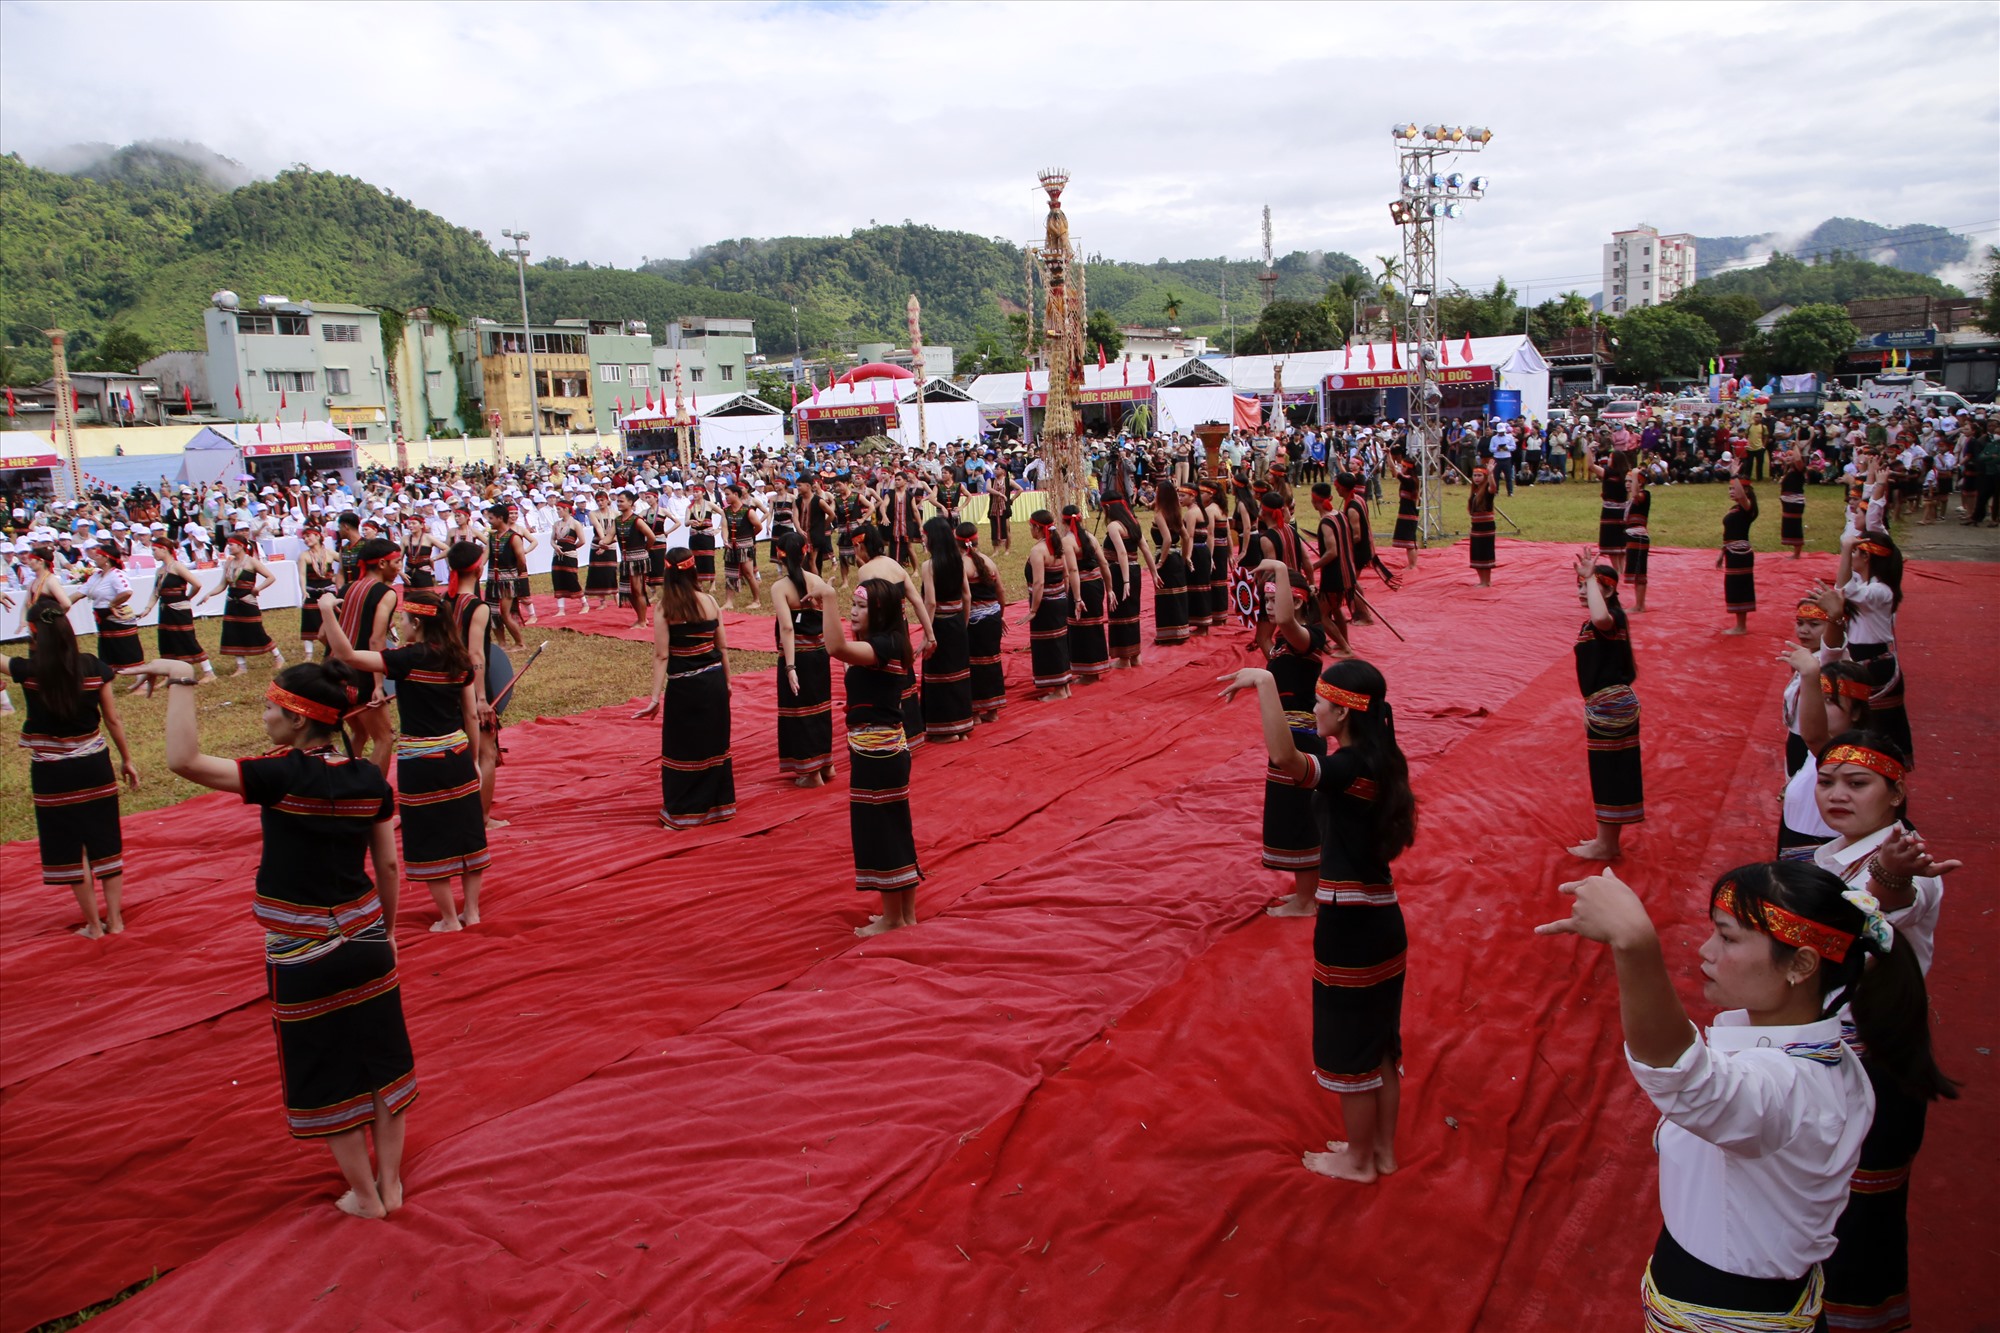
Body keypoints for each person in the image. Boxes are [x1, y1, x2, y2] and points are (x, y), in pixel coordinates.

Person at [1534, 858, 1948, 1331]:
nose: (1706, 952)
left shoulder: (1791, 1085)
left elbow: (1687, 1081)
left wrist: (1635, 943)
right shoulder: (1825, 1058)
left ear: (1802, 964)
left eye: (1728, 938)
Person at [139, 654, 416, 1220]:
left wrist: (183, 678)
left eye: (269, 707)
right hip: (366, 940)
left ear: (296, 721)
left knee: (324, 1065)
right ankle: (392, 1184)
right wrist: (385, 934)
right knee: (384, 1058)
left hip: (301, 952)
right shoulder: (369, 778)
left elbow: (182, 759)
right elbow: (388, 869)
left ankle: (365, 1197)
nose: (263, 716)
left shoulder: (280, 777)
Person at [1219, 657, 1417, 1183]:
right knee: (1381, 1043)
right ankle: (1381, 1152)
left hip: (1350, 928)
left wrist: (1264, 683)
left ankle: (1357, 1161)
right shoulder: (1380, 757)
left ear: (1345, 713)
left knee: (1351, 1046)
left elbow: (1286, 758)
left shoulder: (1349, 769)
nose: (1314, 709)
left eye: (1321, 702)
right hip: (1382, 920)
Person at [1807, 732, 1961, 1330]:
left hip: (1874, 1070)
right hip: (1833, 1055)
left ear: (1896, 795)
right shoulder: (1831, 853)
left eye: (1858, 783)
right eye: (1827, 782)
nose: (1837, 794)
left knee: (1861, 1221)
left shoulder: (1910, 865)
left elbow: (1879, 915)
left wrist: (1888, 878)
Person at [318, 589, 488, 931]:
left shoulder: (406, 658)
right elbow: (471, 717)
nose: (400, 623)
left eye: (403, 619)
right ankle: (471, 911)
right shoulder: (459, 659)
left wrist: (325, 610)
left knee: (428, 835)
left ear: (416, 623)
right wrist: (471, 759)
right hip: (456, 754)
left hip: (420, 762)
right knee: (467, 831)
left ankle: (449, 918)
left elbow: (346, 655)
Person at [9, 599, 138, 938]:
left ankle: (93, 925)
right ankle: (116, 920)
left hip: (52, 773)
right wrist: (127, 759)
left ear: (34, 632)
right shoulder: (94, 666)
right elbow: (113, 719)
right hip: (94, 765)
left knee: (71, 844)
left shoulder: (28, 670)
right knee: (104, 838)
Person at [823, 577, 923, 937]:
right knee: (893, 828)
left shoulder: (884, 646)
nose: (852, 610)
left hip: (877, 756)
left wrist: (828, 597)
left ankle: (893, 918)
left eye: (861, 606)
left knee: (880, 831)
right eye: (852, 603)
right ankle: (904, 914)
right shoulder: (889, 642)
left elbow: (835, 647)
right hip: (885, 752)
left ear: (879, 611)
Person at [635, 548, 736, 829]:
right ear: (693, 570)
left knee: (683, 748)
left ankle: (683, 812)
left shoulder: (665, 607)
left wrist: (655, 697)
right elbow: (722, 647)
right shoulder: (710, 601)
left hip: (684, 686)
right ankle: (718, 806)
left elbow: (661, 655)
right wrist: (727, 682)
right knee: (714, 743)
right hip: (713, 681)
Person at [1249, 560, 1328, 918]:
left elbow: (1282, 620)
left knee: (1299, 815)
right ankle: (1303, 893)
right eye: (1265, 597)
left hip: (1302, 738)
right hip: (1286, 734)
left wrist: (1280, 568)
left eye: (1275, 596)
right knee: (1288, 811)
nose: (1268, 604)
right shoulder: (1283, 643)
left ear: (1295, 601)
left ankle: (1307, 901)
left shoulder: (1306, 637)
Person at [1816, 529, 1913, 767]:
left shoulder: (1881, 591)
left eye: (1856, 553)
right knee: (1862, 725)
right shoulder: (1867, 585)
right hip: (1862, 661)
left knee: (1878, 729)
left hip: (1876, 664)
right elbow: (1844, 591)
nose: (1851, 558)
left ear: (1867, 557)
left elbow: (1844, 593)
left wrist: (1846, 549)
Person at [1569, 555, 1643, 860]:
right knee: (1606, 773)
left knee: (1610, 774)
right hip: (1605, 706)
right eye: (1580, 585)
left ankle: (1608, 845)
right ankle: (1605, 840)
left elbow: (1601, 619)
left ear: (1609, 592)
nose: (1583, 591)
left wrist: (1590, 579)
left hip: (1612, 707)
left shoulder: (1611, 617)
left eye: (1590, 587)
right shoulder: (1601, 620)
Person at [770, 530, 838, 787]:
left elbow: (787, 628)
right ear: (805, 551)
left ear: (780, 555)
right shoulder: (816, 580)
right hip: (819, 655)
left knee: (800, 712)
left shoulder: (780, 587)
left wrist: (789, 666)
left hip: (798, 656)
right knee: (820, 707)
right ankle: (826, 765)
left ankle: (811, 772)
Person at [335, 537, 402, 774]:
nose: (399, 568)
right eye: (397, 562)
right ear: (382, 563)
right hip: (361, 673)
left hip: (333, 671)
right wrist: (378, 685)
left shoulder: (348, 588)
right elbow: (376, 639)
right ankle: (374, 798)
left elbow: (325, 633)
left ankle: (342, 784)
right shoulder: (386, 593)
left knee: (359, 733)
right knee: (385, 737)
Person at [918, 516, 976, 740]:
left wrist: (927, 634)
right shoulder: (959, 560)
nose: (923, 539)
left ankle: (945, 729)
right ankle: (962, 726)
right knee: (958, 673)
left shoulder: (929, 566)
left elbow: (930, 602)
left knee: (939, 674)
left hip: (939, 623)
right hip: (956, 621)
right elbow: (967, 595)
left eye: (925, 536)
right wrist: (963, 622)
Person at [198, 532, 285, 675]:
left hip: (247, 601)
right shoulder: (229, 563)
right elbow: (223, 584)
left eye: (231, 545)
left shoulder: (251, 561)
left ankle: (278, 657)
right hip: (232, 602)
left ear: (240, 546)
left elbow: (270, 577)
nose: (229, 547)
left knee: (256, 630)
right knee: (233, 632)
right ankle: (241, 666)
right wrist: (209, 594)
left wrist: (258, 588)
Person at [134, 531, 215, 680]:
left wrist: (186, 598)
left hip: (178, 609)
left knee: (187, 638)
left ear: (164, 549)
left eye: (155, 550)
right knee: (167, 640)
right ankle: (169, 674)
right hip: (165, 610)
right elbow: (156, 592)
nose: (153, 553)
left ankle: (208, 671)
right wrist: (147, 609)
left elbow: (196, 584)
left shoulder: (177, 566)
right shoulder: (160, 570)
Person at [1024, 510, 1080, 701]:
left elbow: (1039, 583)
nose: (1030, 530)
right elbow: (1065, 575)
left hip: (1046, 605)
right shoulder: (1057, 546)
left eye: (1031, 527)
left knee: (1049, 644)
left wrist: (1033, 610)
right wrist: (1063, 595)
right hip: (1059, 600)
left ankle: (1059, 690)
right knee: (1059, 642)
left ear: (1038, 528)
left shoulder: (1038, 550)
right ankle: (1064, 686)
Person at [77, 539, 146, 687]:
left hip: (118, 617)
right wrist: (60, 606)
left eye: (98, 555)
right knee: (108, 650)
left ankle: (142, 683)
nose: (95, 557)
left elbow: (127, 592)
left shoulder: (117, 575)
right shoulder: (96, 576)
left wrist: (112, 604)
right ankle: (107, 681)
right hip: (104, 619)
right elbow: (80, 592)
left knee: (128, 648)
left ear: (106, 558)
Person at [958, 522, 1010, 720]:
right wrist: (1001, 614)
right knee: (992, 661)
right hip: (993, 618)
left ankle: (976, 712)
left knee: (974, 664)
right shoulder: (989, 561)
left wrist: (962, 624)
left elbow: (965, 598)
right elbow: (1001, 592)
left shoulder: (962, 564)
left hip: (974, 621)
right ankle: (993, 710)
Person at [1062, 505, 1112, 679]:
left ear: (1063, 521)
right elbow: (1104, 563)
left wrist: (1076, 598)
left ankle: (1088, 672)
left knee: (1080, 627)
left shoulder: (1067, 541)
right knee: (1095, 624)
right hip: (1096, 584)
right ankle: (1095, 669)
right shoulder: (1090, 537)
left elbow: (1073, 571)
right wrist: (1110, 589)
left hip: (1082, 586)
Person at [1150, 481, 1192, 646]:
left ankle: (1167, 634)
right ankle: (1180, 632)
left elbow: (1166, 539)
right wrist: (1184, 557)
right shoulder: (1175, 512)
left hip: (1166, 557)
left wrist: (1161, 560)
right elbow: (1186, 537)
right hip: (1176, 557)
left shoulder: (1160, 514)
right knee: (1178, 596)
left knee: (1166, 597)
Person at [1719, 474, 1758, 635]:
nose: (1731, 491)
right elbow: (1729, 533)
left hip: (1741, 554)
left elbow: (1741, 496)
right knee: (1733, 586)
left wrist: (1734, 474)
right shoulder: (1735, 509)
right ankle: (1739, 624)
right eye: (1729, 488)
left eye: (1734, 488)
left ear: (1745, 490)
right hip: (1733, 552)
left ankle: (1741, 626)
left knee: (1739, 586)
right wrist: (1722, 553)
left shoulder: (1746, 507)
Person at [298, 525, 341, 659]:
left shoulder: (329, 553)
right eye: (304, 538)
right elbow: (302, 575)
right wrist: (303, 590)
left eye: (308, 536)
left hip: (328, 591)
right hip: (312, 591)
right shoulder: (304, 556)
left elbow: (346, 563)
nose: (306, 539)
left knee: (335, 618)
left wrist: (338, 577)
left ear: (317, 536)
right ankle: (308, 654)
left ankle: (336, 645)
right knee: (309, 620)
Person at [614, 492, 656, 627]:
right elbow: (609, 536)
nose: (619, 503)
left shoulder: (637, 520)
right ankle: (640, 618)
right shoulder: (618, 520)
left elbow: (651, 537)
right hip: (626, 560)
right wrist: (602, 544)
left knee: (638, 590)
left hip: (638, 560)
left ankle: (642, 621)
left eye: (621, 501)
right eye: (618, 501)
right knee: (628, 591)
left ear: (631, 503)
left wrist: (645, 550)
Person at [1592, 446, 1630, 578]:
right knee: (1620, 542)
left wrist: (1590, 451)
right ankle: (1621, 569)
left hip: (1611, 511)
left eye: (1610, 458)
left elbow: (1591, 466)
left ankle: (1618, 570)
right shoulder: (1627, 474)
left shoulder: (1609, 473)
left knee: (1613, 543)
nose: (1608, 460)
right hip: (1623, 511)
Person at [548, 497, 587, 616]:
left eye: (559, 509)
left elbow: (582, 540)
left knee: (572, 579)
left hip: (570, 555)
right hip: (558, 555)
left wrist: (572, 548)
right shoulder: (556, 524)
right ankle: (561, 609)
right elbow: (552, 539)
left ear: (566, 509)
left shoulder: (575, 524)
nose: (557, 512)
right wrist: (555, 546)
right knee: (558, 579)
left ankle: (584, 603)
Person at [1623, 465, 1652, 613]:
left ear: (1640, 482)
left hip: (1639, 537)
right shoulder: (1632, 500)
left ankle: (1640, 605)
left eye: (1631, 480)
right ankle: (1639, 604)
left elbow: (1636, 494)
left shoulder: (1644, 495)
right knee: (1636, 572)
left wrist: (1635, 474)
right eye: (1627, 481)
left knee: (1639, 572)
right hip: (1632, 537)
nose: (1628, 483)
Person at [586, 493, 621, 611]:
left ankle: (616, 597)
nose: (600, 503)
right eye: (598, 501)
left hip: (610, 543)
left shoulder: (615, 514)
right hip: (598, 543)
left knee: (610, 571)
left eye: (602, 500)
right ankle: (602, 600)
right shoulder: (593, 513)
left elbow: (617, 530)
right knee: (597, 572)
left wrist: (606, 543)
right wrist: (602, 542)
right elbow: (598, 527)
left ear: (607, 500)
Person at [1466, 456, 1497, 588]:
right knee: (1477, 553)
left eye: (1479, 475)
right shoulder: (1474, 491)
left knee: (1485, 553)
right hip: (1476, 526)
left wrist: (1490, 474)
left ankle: (1487, 581)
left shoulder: (1486, 490)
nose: (1477, 478)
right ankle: (1481, 581)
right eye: (1475, 475)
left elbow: (1493, 488)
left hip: (1486, 526)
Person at [1390, 451, 1420, 568]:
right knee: (1410, 541)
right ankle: (1412, 564)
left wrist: (1388, 455)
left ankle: (1412, 565)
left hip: (1409, 514)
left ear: (1408, 468)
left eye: (1403, 466)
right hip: (1407, 513)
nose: (1401, 468)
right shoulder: (1410, 479)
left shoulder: (1409, 480)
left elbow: (1393, 470)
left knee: (1410, 542)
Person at [1779, 448, 1808, 558]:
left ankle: (1797, 554)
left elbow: (1798, 459)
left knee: (1795, 526)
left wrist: (1795, 443)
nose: (1788, 457)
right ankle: (1795, 552)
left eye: (1791, 455)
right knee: (1789, 526)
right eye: (1787, 455)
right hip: (1788, 502)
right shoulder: (1789, 470)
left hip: (1795, 503)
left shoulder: (1799, 468)